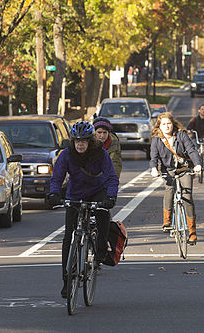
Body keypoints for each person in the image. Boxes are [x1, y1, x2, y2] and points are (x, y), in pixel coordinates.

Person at [48, 121, 119, 298]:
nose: (80, 144)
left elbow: (111, 177)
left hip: (97, 191)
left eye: (84, 141)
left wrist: (110, 197)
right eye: (77, 141)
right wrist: (54, 194)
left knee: (102, 213)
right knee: (68, 236)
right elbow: (57, 177)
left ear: (90, 141)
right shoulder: (66, 155)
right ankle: (67, 280)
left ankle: (101, 246)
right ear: (73, 141)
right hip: (75, 193)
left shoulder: (100, 154)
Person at [149, 112, 202, 244]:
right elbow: (153, 157)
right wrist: (154, 169)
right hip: (169, 170)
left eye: (169, 124)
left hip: (184, 169)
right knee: (169, 190)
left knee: (187, 197)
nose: (167, 127)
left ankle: (192, 232)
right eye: (164, 124)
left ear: (173, 124)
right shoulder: (156, 139)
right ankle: (167, 221)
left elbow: (191, 150)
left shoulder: (181, 135)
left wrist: (197, 164)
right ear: (159, 126)